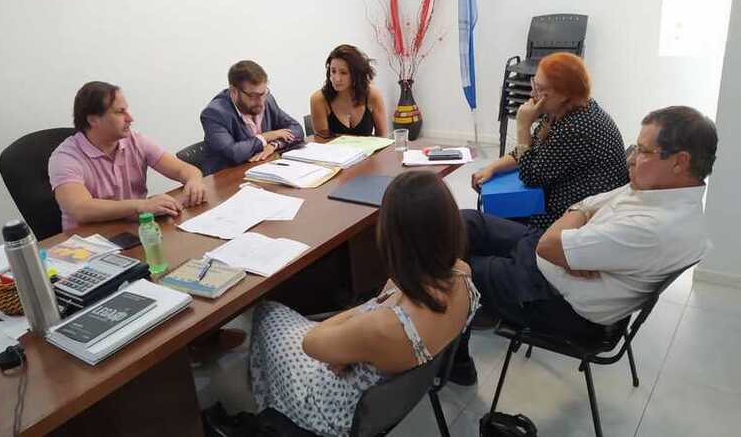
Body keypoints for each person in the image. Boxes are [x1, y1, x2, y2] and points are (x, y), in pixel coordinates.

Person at [450, 106, 717, 386]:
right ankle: (459, 321)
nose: (632, 159)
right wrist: (577, 222)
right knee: (465, 222)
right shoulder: (660, 189)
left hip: (554, 298)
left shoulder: (655, 227)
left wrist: (572, 227)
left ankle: (454, 358)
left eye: (643, 151)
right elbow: (585, 206)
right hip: (553, 263)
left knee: (451, 269)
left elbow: (549, 244)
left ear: (680, 162)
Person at [249, 171, 480, 436]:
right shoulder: (462, 274)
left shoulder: (385, 326)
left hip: (334, 410)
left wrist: (359, 323)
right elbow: (389, 297)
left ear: (393, 239)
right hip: (391, 377)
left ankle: (272, 415)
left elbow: (311, 342)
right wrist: (360, 337)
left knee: (267, 312)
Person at [471, 53, 629, 229]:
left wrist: (523, 126)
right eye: (534, 84)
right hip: (562, 203)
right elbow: (531, 150)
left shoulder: (576, 127)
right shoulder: (566, 110)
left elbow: (530, 176)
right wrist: (492, 167)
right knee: (482, 220)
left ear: (563, 94)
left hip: (573, 219)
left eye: (539, 88)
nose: (532, 93)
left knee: (478, 223)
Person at [49, 81, 207, 230]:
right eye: (120, 112)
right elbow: (81, 208)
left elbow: (183, 170)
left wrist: (194, 181)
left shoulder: (135, 141)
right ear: (93, 120)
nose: (130, 118)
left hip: (135, 230)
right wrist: (140, 205)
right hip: (89, 244)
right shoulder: (65, 157)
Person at [201, 60, 304, 174]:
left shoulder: (266, 100)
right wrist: (266, 137)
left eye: (263, 93)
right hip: (227, 179)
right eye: (253, 96)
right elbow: (234, 153)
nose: (260, 101)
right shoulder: (214, 113)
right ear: (234, 91)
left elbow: (297, 130)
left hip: (263, 169)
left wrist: (273, 145)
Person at [309, 44, 388, 138]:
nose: (336, 79)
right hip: (335, 152)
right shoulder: (318, 99)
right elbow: (322, 142)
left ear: (356, 75)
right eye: (333, 71)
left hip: (370, 152)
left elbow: (383, 138)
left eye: (343, 73)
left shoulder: (372, 95)